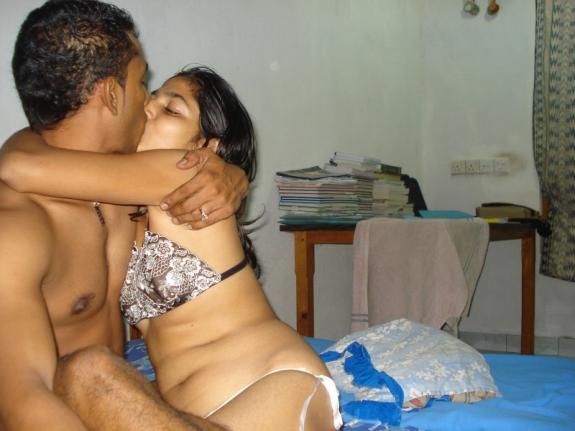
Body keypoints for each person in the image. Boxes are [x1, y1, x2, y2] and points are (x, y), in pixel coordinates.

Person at [2, 64, 343, 431]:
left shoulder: (188, 174)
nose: (148, 108)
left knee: (88, 372)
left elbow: (20, 167)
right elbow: (41, 151)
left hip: (270, 385)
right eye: (151, 98)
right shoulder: (128, 206)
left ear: (205, 146)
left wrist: (231, 171)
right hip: (196, 416)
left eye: (171, 109)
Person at [0, 1, 247, 430]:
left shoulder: (130, 181)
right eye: (141, 82)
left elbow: (199, 167)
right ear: (111, 94)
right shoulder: (17, 229)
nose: (147, 99)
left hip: (114, 396)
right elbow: (24, 399)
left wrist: (230, 173)